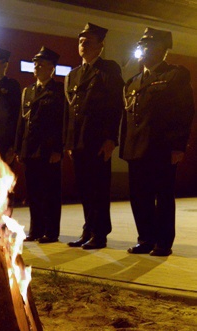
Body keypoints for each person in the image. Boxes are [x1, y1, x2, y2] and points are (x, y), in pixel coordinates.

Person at [121, 28, 195, 257]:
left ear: (162, 51)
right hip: (135, 148)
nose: (143, 50)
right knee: (139, 197)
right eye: (142, 46)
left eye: (149, 46)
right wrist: (124, 146)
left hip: (161, 147)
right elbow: (127, 117)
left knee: (163, 197)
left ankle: (163, 242)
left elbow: (185, 112)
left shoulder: (175, 75)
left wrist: (178, 146)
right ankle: (145, 238)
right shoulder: (133, 82)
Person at [64, 23, 124, 250]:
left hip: (98, 141)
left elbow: (115, 106)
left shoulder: (109, 69)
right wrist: (68, 141)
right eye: (81, 40)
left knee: (99, 189)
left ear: (100, 46)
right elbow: (69, 112)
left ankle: (100, 234)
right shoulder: (74, 74)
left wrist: (111, 139)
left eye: (89, 40)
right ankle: (88, 229)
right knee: (84, 189)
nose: (83, 43)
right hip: (78, 142)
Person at [15, 47, 65, 244]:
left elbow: (62, 122)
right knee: (34, 192)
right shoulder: (27, 91)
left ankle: (51, 232)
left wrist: (58, 149)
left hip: (48, 150)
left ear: (52, 68)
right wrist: (19, 148)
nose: (37, 67)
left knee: (51, 192)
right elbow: (21, 122)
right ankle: (36, 229)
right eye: (35, 64)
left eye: (42, 64)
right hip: (30, 149)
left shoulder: (59, 90)